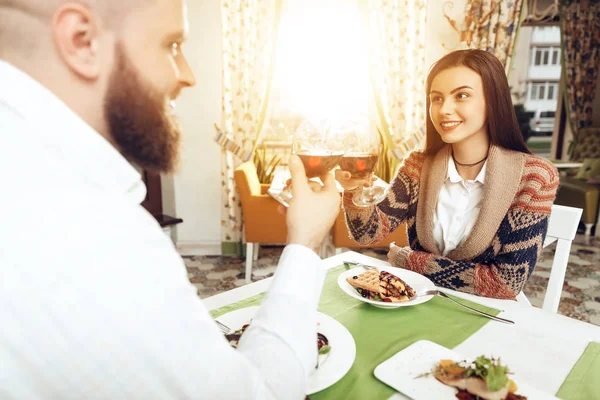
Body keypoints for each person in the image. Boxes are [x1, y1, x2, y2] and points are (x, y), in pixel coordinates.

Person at [0, 1, 341, 399]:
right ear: (82, 40)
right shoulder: (90, 235)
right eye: (172, 45)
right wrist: (304, 242)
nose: (188, 75)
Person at [336, 49, 559, 300]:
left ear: (493, 101)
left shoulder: (535, 178)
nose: (444, 110)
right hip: (416, 302)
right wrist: (354, 190)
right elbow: (367, 233)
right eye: (437, 98)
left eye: (462, 95)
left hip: (487, 314)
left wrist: (408, 259)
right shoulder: (417, 166)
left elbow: (505, 283)